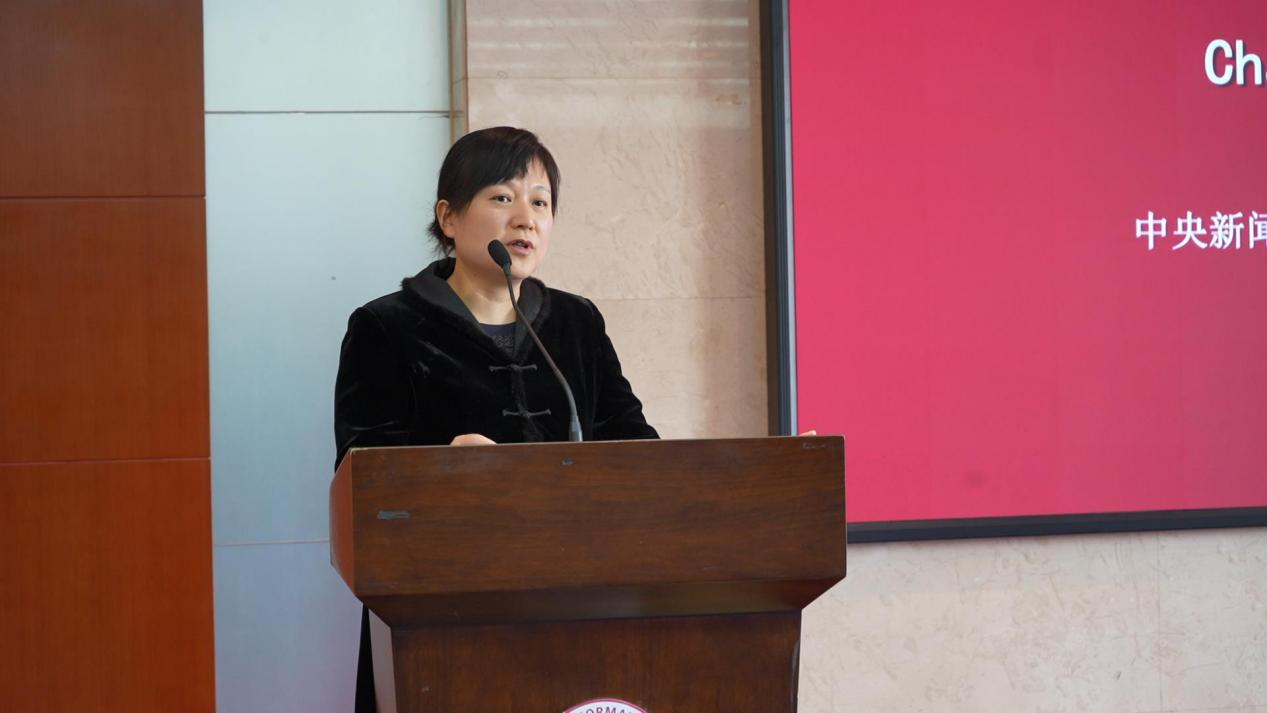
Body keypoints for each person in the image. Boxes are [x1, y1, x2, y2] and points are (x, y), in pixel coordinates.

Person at [333, 126, 658, 712]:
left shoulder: (577, 323)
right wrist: (441, 470)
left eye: (541, 202)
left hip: (578, 599)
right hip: (442, 610)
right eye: (503, 198)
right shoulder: (386, 327)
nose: (526, 219)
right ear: (449, 217)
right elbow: (360, 479)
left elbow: (638, 449)